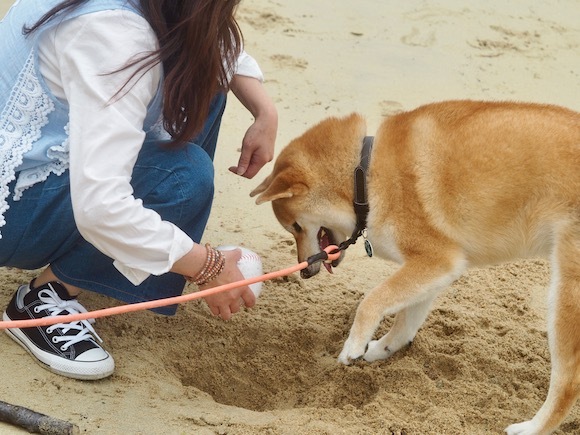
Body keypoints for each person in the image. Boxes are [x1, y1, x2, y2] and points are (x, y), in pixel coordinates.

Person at [0, 0, 278, 380]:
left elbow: (209, 40)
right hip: (11, 208)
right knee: (184, 178)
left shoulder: (154, 14)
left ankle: (141, 247)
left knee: (202, 77)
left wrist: (265, 111)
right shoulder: (116, 36)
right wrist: (207, 266)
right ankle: (44, 299)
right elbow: (101, 208)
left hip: (41, 158)